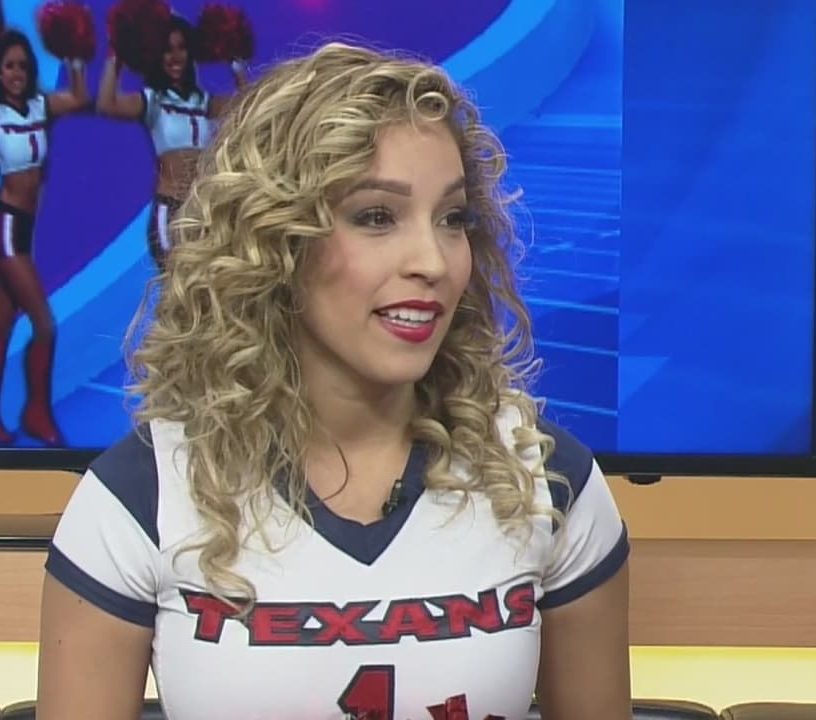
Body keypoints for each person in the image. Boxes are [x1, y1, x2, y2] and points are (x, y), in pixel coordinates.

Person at [37, 42, 631, 720]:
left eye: (453, 219)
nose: (433, 261)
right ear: (274, 241)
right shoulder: (141, 499)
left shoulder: (548, 481)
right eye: (376, 216)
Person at [0, 29, 90, 447]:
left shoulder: (42, 106)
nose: (17, 72)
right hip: (5, 229)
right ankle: (36, 412)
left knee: (2, 328)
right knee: (44, 324)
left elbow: (79, 98)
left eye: (23, 65)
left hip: (25, 230)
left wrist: (76, 57)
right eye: (9, 66)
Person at [96, 14, 248, 270]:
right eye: (167, 50)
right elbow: (106, 105)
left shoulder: (202, 101)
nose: (175, 57)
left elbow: (246, 105)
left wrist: (235, 64)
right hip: (170, 210)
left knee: (206, 284)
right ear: (157, 56)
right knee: (174, 281)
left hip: (201, 210)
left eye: (181, 48)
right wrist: (116, 56)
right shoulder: (153, 100)